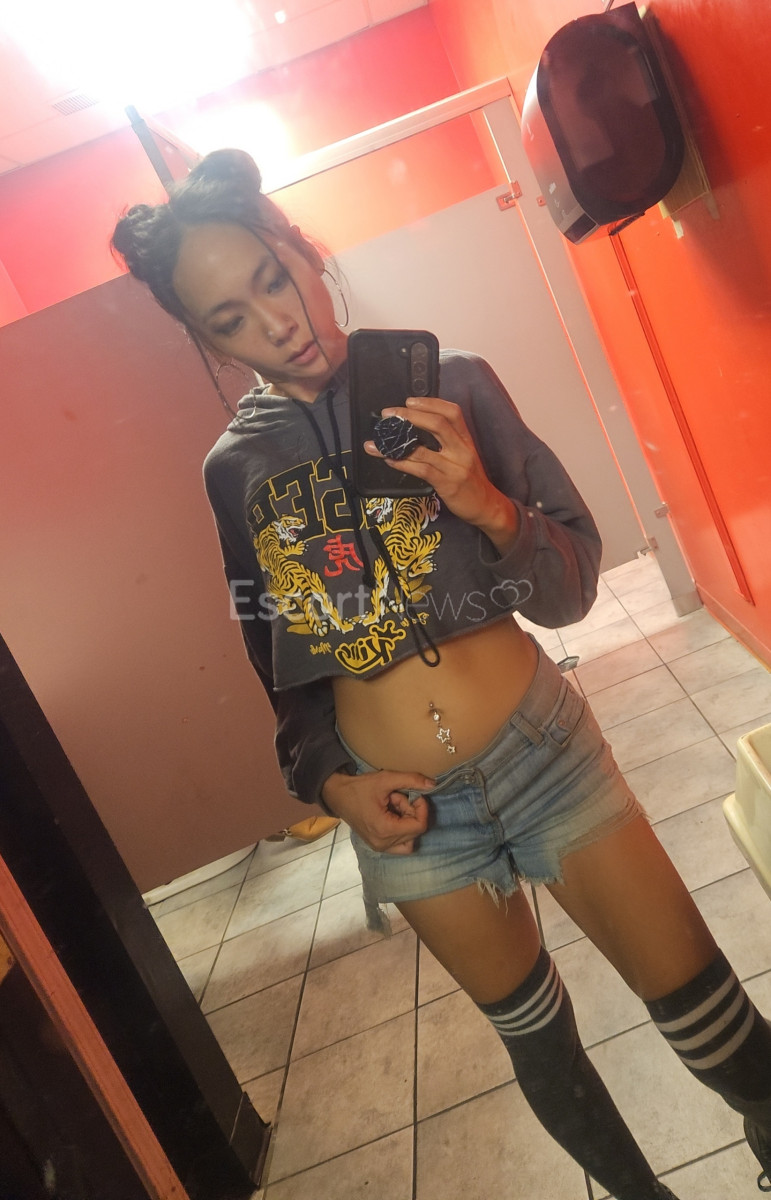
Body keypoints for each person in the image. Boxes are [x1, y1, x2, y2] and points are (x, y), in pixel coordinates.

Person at [112, 149, 771, 1199]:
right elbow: (276, 666)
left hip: (543, 756)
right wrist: (332, 784)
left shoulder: (451, 383)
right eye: (230, 319)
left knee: (710, 1014)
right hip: (410, 810)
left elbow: (571, 588)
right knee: (538, 1047)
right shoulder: (235, 471)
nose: (275, 323)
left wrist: (488, 507)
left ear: (301, 250)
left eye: (274, 278)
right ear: (206, 341)